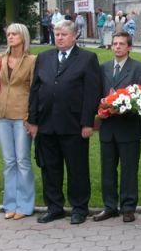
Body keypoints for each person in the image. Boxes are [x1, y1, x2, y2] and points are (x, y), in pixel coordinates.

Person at [27, 20, 102, 225]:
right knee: (50, 168)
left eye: (63, 34)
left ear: (74, 35)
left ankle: (79, 208)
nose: (59, 38)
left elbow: (92, 93)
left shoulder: (87, 59)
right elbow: (35, 90)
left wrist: (87, 123)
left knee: (77, 168)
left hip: (73, 124)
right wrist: (32, 120)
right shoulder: (44, 57)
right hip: (46, 123)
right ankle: (54, 207)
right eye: (56, 34)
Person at [94, 32, 141, 223]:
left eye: (121, 44)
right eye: (114, 43)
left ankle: (128, 207)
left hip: (129, 127)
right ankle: (109, 206)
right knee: (107, 169)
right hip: (108, 128)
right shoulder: (103, 68)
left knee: (129, 169)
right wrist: (102, 105)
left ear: (129, 47)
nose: (117, 47)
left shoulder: (139, 68)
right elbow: (97, 94)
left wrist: (122, 106)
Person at [0, 24, 37, 220]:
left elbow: (34, 90)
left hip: (21, 115)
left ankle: (24, 205)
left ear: (23, 37)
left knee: (22, 160)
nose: (10, 37)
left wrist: (31, 117)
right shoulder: (0, 59)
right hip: (1, 115)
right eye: (8, 34)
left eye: (14, 34)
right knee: (9, 161)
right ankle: (10, 204)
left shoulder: (32, 60)